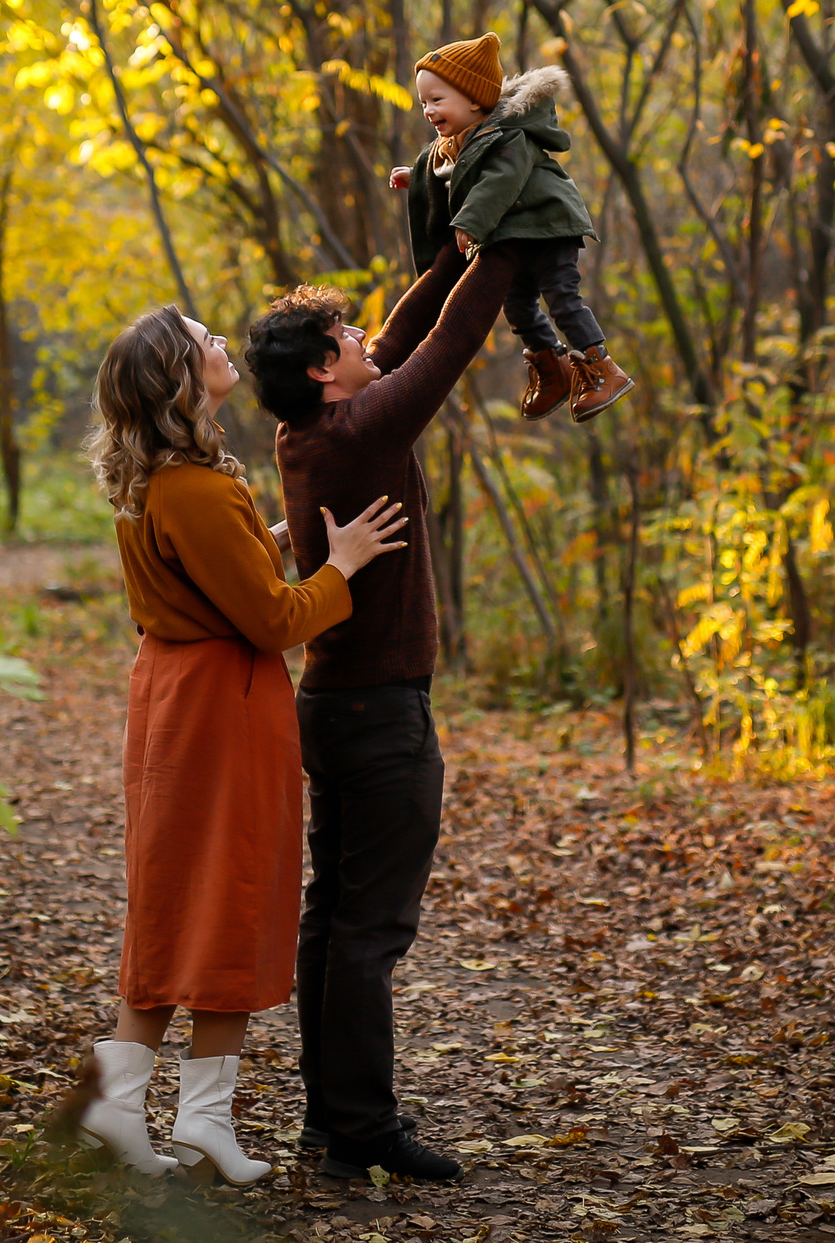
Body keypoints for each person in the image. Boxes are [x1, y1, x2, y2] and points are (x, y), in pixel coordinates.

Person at [75, 307, 412, 1185]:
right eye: (205, 341)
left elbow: (212, 575)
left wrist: (286, 540)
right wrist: (341, 566)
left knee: (170, 904)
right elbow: (270, 618)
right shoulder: (199, 485)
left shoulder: (158, 479)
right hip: (222, 708)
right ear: (181, 378)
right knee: (230, 903)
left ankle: (120, 1106)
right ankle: (202, 1123)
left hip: (171, 700)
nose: (223, 345)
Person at [243, 233, 522, 1184]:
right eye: (345, 334)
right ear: (327, 371)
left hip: (340, 705)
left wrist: (452, 247)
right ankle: (358, 1126)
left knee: (338, 918)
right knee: (369, 929)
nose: (365, 336)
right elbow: (445, 347)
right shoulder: (358, 433)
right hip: (377, 717)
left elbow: (404, 339)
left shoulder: (309, 428)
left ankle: (334, 1118)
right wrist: (507, 244)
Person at [388, 32, 633, 424]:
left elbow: (497, 181)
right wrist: (415, 175)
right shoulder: (457, 141)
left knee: (562, 297)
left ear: (473, 99)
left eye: (437, 100)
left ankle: (603, 369)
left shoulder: (509, 136)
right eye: (423, 103)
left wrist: (470, 221)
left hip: (549, 224)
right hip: (518, 233)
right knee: (518, 306)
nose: (428, 111)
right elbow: (447, 168)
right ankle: (554, 370)